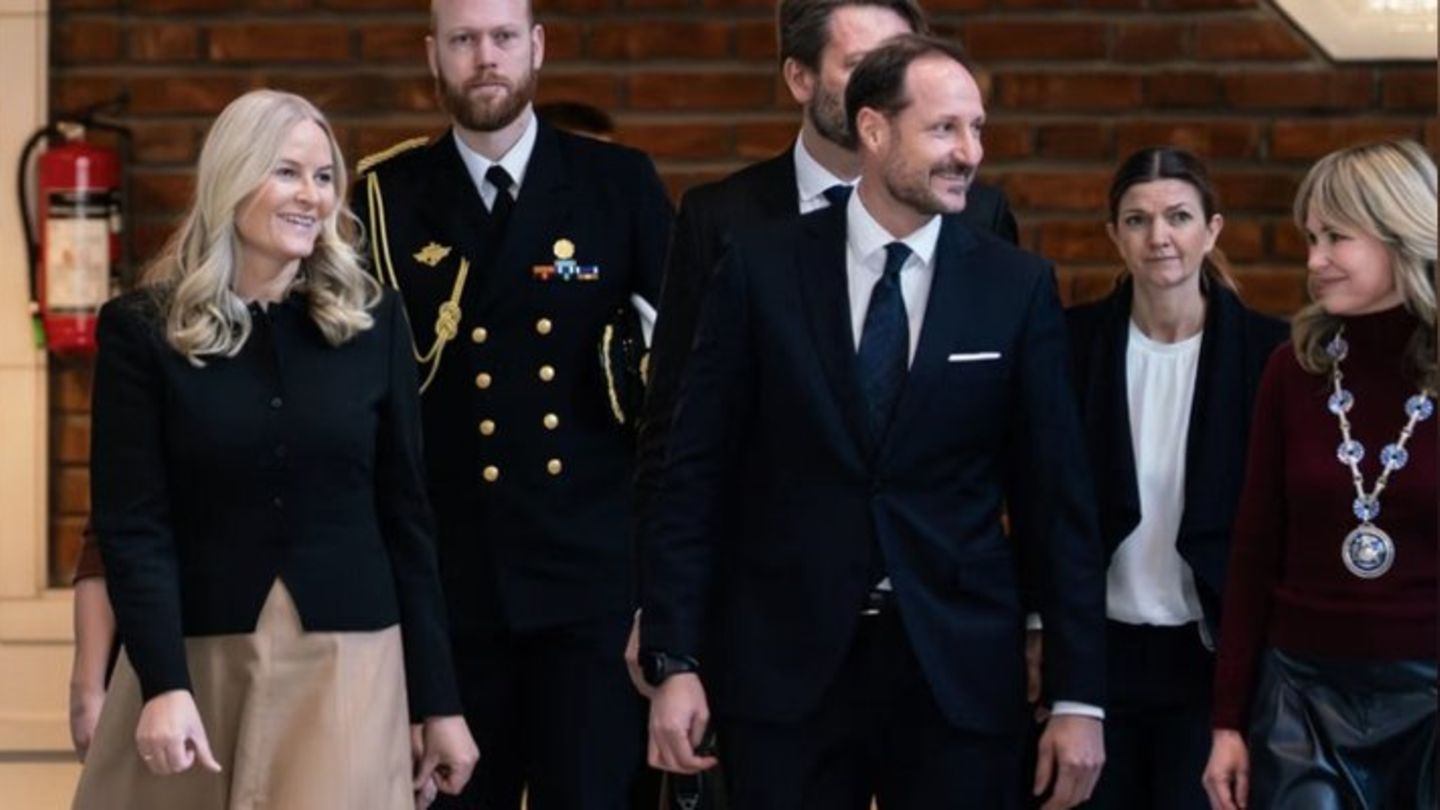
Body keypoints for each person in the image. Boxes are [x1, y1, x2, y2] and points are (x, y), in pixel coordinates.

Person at [639, 35, 1106, 809]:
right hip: (784, 667)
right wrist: (675, 659)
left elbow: (1058, 501)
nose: (969, 152)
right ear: (875, 129)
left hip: (956, 669)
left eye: (977, 128)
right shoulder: (759, 267)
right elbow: (693, 473)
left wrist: (1078, 697)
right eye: (944, 129)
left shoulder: (1015, 286)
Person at [71, 88, 477, 809]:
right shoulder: (142, 330)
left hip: (349, 665)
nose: (312, 197)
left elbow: (408, 519)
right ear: (233, 176)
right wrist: (163, 685)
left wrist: (439, 703)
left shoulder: (373, 322)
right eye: (287, 172)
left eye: (325, 177)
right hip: (195, 660)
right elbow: (133, 526)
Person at [350, 0, 673, 806]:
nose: (484, 58)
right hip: (453, 596)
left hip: (593, 591)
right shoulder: (384, 196)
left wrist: (665, 600)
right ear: (433, 55)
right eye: (463, 41)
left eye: (501, 38)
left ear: (536, 47)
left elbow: (679, 393)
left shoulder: (616, 182)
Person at [632, 0, 1018, 556]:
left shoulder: (979, 216)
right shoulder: (723, 220)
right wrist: (658, 600)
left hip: (938, 590)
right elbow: (673, 430)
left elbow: (1016, 435)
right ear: (800, 77)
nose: (884, 87)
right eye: (861, 64)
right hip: (773, 588)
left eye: (898, 64)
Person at [1202, 139, 1437, 810]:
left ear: (1400, 233)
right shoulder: (1291, 370)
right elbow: (1251, 554)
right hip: (1302, 697)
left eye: (1336, 237)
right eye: (1310, 237)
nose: (1314, 260)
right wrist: (1227, 722)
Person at [1064, 147, 1287, 809]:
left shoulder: (1267, 353)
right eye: (1137, 220)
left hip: (1210, 654)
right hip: (1099, 653)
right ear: (1114, 235)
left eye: (1179, 217)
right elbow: (1047, 504)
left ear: (1212, 230)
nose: (1158, 236)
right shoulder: (1072, 345)